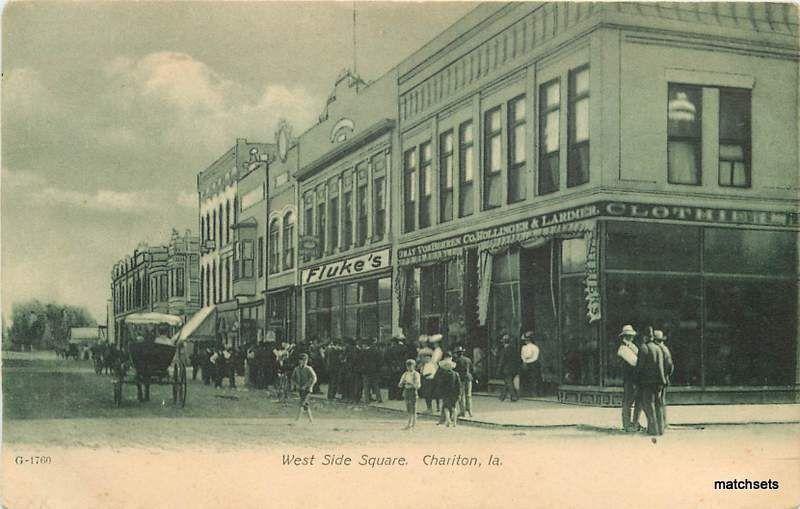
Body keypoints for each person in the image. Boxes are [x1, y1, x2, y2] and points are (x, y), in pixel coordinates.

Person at [636, 330, 667, 436]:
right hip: (658, 382)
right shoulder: (658, 349)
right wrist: (663, 380)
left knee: (649, 404)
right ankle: (661, 429)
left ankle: (653, 429)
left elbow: (639, 367)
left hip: (647, 381)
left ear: (645, 337)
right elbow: (661, 366)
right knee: (658, 404)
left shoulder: (644, 348)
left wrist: (637, 378)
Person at [617, 325, 642, 432]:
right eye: (629, 336)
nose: (631, 337)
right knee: (628, 402)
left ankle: (635, 423)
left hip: (635, 379)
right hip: (629, 379)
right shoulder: (623, 349)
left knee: (638, 401)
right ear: (625, 336)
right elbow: (635, 362)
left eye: (632, 335)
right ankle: (627, 424)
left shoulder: (632, 346)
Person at [653, 330, 673, 433]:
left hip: (660, 379)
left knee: (659, 401)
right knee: (661, 401)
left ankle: (662, 423)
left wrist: (665, 375)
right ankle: (663, 422)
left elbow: (669, 365)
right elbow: (670, 366)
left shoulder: (660, 349)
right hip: (663, 378)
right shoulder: (665, 349)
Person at [434, 354, 461, 427]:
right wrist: (459, 394)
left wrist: (439, 392)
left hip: (446, 393)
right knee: (454, 407)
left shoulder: (443, 374)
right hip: (454, 393)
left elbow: (441, 385)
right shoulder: (456, 374)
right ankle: (455, 422)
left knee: (446, 407)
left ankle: (448, 420)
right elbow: (458, 385)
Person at [291, 353, 318, 423]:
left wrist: (307, 385)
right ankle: (311, 420)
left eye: (305, 360)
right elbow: (292, 378)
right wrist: (296, 385)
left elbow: (314, 378)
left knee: (301, 403)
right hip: (300, 389)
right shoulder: (296, 369)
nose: (304, 361)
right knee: (305, 404)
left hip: (307, 389)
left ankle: (297, 420)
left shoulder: (309, 369)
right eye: (302, 360)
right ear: (299, 361)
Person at [398, 359, 421, 430]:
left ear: (414, 366)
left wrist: (412, 384)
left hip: (413, 391)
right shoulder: (405, 374)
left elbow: (418, 385)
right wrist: (402, 383)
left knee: (413, 408)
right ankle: (408, 424)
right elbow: (400, 384)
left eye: (411, 366)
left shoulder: (416, 374)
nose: (409, 367)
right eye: (408, 366)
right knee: (408, 408)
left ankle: (414, 425)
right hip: (406, 391)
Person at [497, 334, 520, 402]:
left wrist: (499, 369)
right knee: (508, 382)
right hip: (514, 369)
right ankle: (502, 396)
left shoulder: (504, 350)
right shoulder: (514, 349)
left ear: (503, 342)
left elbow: (502, 361)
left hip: (507, 369)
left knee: (509, 382)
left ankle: (513, 396)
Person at [453, 346, 473, 418]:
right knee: (468, 395)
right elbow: (472, 369)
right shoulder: (468, 360)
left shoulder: (456, 361)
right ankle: (470, 411)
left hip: (461, 379)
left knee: (461, 396)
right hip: (469, 378)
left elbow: (455, 371)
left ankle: (462, 412)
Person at [520, 331, 541, 397]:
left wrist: (524, 360)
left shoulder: (525, 347)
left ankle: (528, 393)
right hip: (533, 363)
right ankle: (533, 393)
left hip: (529, 363)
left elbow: (526, 355)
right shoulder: (535, 347)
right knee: (533, 379)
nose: (525, 341)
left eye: (526, 340)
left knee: (527, 379)